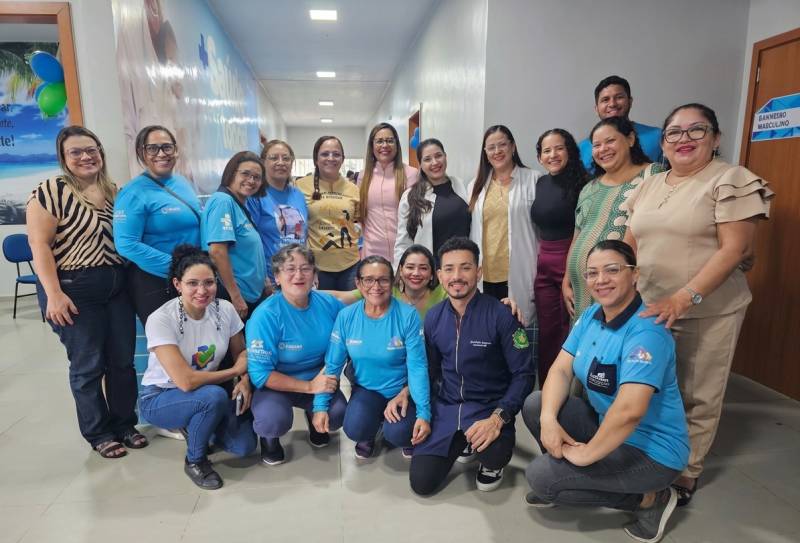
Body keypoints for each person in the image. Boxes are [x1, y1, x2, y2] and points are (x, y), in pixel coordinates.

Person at [623, 103, 774, 506]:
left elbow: (734, 249)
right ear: (663, 142)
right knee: (649, 385)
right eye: (674, 132)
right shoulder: (650, 184)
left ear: (716, 137)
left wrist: (683, 297)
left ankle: (686, 472)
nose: (684, 139)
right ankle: (651, 455)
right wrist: (616, 281)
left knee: (697, 393)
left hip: (707, 309)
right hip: (650, 307)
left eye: (696, 130)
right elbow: (629, 243)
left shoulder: (730, 179)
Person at [523, 240, 689, 543]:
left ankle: (651, 499)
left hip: (651, 452)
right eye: (592, 273)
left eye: (612, 270)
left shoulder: (647, 332)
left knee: (540, 479)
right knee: (537, 404)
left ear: (634, 274)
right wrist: (548, 420)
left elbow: (629, 411)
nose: (601, 280)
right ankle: (568, 478)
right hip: (607, 428)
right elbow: (560, 370)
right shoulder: (591, 316)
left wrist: (586, 455)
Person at [27, 125, 143, 459]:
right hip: (73, 288)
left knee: (122, 361)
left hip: (116, 286)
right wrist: (53, 294)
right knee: (88, 365)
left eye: (91, 150)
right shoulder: (51, 191)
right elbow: (39, 245)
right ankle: (99, 433)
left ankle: (125, 424)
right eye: (76, 152)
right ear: (64, 158)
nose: (85, 156)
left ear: (101, 153)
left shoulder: (114, 191)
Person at [409, 237, 534, 495]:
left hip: (488, 408)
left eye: (465, 268)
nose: (457, 276)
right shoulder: (433, 317)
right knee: (422, 483)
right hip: (447, 406)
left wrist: (498, 418)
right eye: (449, 269)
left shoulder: (501, 315)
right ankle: (461, 440)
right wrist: (423, 412)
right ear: (439, 275)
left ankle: (489, 460)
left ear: (478, 272)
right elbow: (430, 370)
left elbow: (523, 374)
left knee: (494, 455)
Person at [138, 245, 256, 490]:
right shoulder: (161, 319)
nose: (202, 291)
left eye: (209, 283)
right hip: (161, 396)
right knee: (213, 397)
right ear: (177, 284)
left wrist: (245, 380)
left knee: (244, 446)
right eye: (192, 283)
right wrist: (236, 372)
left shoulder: (224, 309)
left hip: (203, 392)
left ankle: (196, 424)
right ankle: (195, 461)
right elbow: (186, 381)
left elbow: (241, 353)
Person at [314, 256, 431, 460]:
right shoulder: (346, 316)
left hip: (402, 390)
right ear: (358, 283)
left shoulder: (408, 316)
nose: (376, 286)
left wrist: (423, 413)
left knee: (400, 433)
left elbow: (418, 366)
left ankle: (398, 427)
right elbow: (332, 365)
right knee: (355, 428)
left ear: (392, 282)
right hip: (367, 389)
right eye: (368, 280)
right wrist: (320, 406)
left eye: (383, 280)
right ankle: (372, 428)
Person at [246, 244, 348, 466]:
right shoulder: (265, 315)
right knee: (272, 421)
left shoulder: (329, 304)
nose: (299, 275)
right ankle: (269, 440)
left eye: (305, 268)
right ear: (277, 276)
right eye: (290, 269)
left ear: (315, 275)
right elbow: (260, 375)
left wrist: (319, 398)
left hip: (319, 378)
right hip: (276, 384)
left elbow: (348, 341)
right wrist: (310, 387)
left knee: (339, 414)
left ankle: (314, 417)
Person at [563, 117, 661, 320]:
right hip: (582, 289)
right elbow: (577, 236)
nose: (603, 149)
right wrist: (567, 279)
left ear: (630, 139)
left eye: (610, 141)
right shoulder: (589, 188)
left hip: (621, 287)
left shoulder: (653, 175)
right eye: (597, 145)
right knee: (587, 337)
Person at [114, 125, 201, 324]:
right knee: (168, 339)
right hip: (156, 281)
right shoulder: (132, 192)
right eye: (152, 148)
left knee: (198, 337)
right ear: (141, 153)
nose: (161, 154)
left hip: (190, 277)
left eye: (167, 147)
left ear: (175, 150)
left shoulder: (181, 182)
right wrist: (176, 266)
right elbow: (126, 244)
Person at [531, 129, 589, 385]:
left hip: (572, 261)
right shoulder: (540, 183)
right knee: (547, 330)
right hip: (544, 263)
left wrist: (571, 268)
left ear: (570, 151)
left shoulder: (585, 183)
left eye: (559, 148)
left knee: (571, 328)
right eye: (546, 150)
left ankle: (570, 388)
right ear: (539, 157)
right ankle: (547, 389)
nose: (553, 155)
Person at [468, 125, 538, 327]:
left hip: (518, 271)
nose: (497, 151)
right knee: (487, 330)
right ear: (485, 152)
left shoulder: (533, 179)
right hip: (485, 274)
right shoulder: (475, 185)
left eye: (502, 145)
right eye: (491, 147)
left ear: (513, 147)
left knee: (516, 330)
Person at [202, 151, 268, 320]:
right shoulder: (223, 202)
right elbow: (217, 252)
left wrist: (264, 280)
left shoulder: (239, 203)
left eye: (257, 177)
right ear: (232, 173)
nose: (251, 180)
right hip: (234, 298)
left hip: (250, 295)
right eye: (245, 174)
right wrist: (235, 296)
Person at [296, 136, 360, 290]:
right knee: (320, 305)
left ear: (343, 159)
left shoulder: (353, 189)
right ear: (316, 159)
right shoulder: (300, 186)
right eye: (325, 154)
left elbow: (357, 221)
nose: (331, 158)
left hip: (350, 263)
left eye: (336, 154)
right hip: (316, 266)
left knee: (350, 304)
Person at [394, 138, 469, 269]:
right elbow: (403, 242)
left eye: (438, 156)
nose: (435, 162)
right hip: (432, 271)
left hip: (464, 268)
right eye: (427, 159)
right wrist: (400, 272)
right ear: (420, 164)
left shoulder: (461, 186)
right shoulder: (410, 196)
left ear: (445, 157)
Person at [248, 139, 308, 291]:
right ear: (263, 162)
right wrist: (263, 276)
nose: (281, 162)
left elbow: (304, 236)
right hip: (272, 278)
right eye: (274, 158)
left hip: (299, 276)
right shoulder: (256, 196)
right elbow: (250, 242)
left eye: (286, 158)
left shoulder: (298, 195)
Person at [577, 75, 663, 173]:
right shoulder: (582, 148)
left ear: (630, 101)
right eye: (605, 100)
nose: (612, 104)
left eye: (619, 97)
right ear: (596, 109)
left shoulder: (658, 136)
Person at [359, 122, 418, 261]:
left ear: (397, 144)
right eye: (379, 141)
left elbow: (417, 216)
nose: (384, 145)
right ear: (372, 146)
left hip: (404, 252)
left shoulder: (411, 174)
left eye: (390, 140)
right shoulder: (363, 176)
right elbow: (361, 215)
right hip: (371, 253)